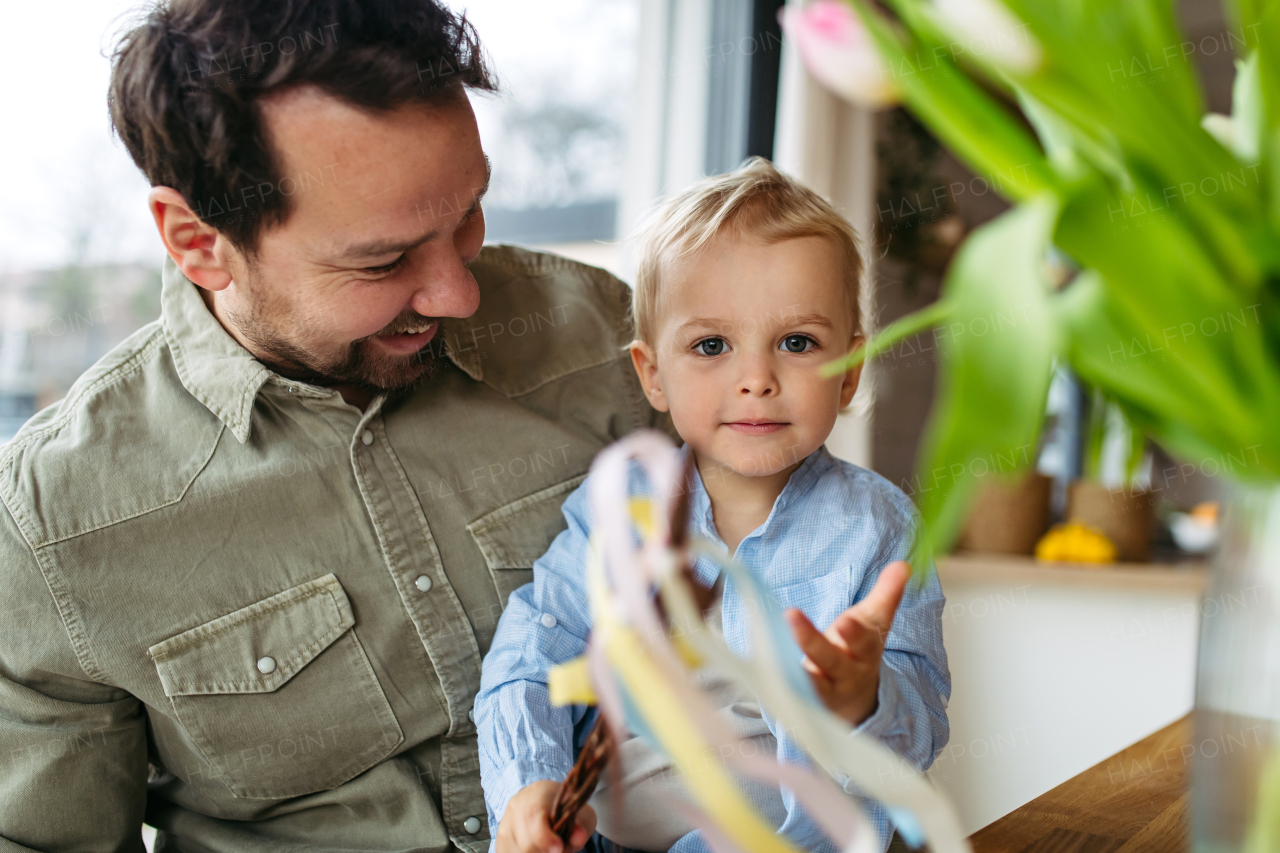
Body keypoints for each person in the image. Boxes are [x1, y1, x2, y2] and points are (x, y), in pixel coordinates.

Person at [0, 1, 667, 850]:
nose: (458, 294)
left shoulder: (609, 337)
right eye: (383, 261)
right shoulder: (52, 521)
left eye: (466, 215)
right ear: (198, 241)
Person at [476, 158, 951, 853]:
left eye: (796, 343)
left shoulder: (879, 528)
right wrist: (527, 781)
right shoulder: (618, 512)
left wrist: (865, 698)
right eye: (711, 345)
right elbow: (531, 650)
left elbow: (923, 717)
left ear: (848, 375)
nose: (756, 379)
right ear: (653, 374)